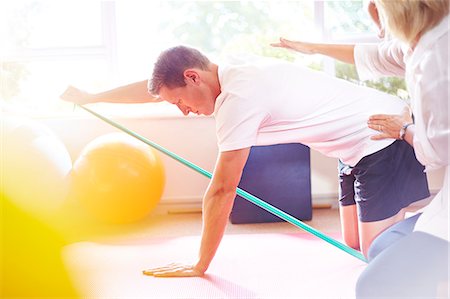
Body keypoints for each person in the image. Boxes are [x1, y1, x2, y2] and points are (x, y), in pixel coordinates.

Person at [61, 45, 430, 277]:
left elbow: (221, 190)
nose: (185, 112)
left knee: (378, 255)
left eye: (181, 103)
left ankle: (439, 227)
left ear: (193, 77)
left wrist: (200, 264)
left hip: (382, 137)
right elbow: (152, 88)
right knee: (354, 242)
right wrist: (93, 96)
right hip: (352, 148)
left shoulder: (238, 100)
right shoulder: (223, 70)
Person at [271, 0, 449, 297]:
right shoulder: (423, 39)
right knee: (380, 246)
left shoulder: (438, 54)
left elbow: (440, 150)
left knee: (372, 284)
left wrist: (404, 130)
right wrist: (312, 47)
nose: (369, 7)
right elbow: (374, 55)